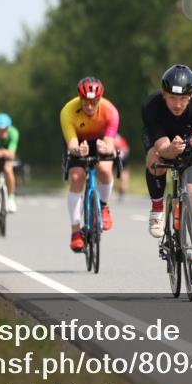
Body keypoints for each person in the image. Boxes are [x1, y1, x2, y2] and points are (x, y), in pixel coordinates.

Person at [141, 64, 192, 284]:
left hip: (190, 144)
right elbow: (162, 147)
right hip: (162, 141)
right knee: (156, 160)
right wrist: (169, 150)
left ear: (191, 96)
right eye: (172, 98)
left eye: (183, 98)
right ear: (164, 94)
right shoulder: (152, 105)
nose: (178, 103)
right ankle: (157, 207)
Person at [61, 77, 120, 253]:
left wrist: (105, 147)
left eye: (93, 102)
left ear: (99, 99)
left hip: (100, 141)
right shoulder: (68, 111)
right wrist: (78, 150)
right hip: (78, 142)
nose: (89, 106)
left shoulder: (110, 111)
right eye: (85, 102)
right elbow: (71, 144)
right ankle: (75, 232)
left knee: (104, 169)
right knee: (77, 177)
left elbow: (110, 142)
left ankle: (103, 206)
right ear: (80, 98)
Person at [114, 133, 131, 201]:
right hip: (125, 153)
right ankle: (122, 188)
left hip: (117, 154)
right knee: (124, 171)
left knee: (113, 173)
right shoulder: (119, 137)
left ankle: (119, 187)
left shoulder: (110, 136)